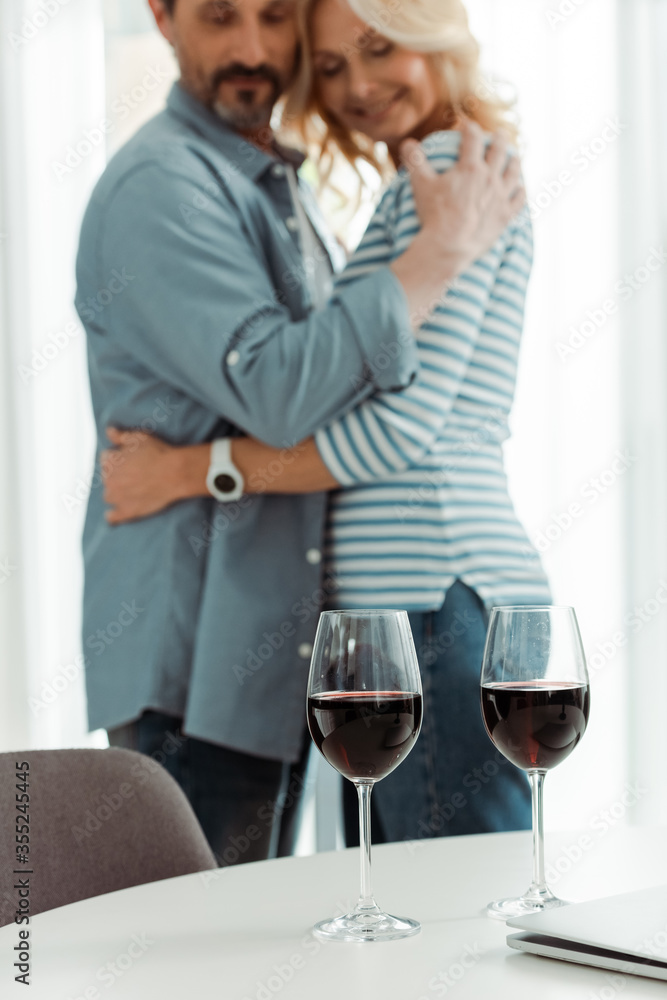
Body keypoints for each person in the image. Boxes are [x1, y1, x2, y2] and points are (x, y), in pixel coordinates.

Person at [76, 0, 523, 864]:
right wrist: (431, 259)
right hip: (199, 661)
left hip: (314, 639)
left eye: (275, 17)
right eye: (218, 17)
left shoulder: (413, 181)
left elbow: (389, 416)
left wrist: (191, 469)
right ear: (162, 19)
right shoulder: (164, 185)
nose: (251, 48)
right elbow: (286, 391)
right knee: (203, 960)